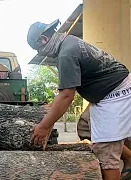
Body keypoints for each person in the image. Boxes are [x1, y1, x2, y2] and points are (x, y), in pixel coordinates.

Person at [26, 19, 131, 180]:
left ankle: (115, 163)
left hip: (116, 93)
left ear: (43, 40)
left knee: (105, 150)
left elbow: (67, 96)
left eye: (38, 49)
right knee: (84, 127)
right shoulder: (69, 42)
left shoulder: (66, 53)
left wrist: (43, 126)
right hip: (107, 94)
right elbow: (67, 90)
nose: (41, 53)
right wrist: (53, 106)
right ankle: (129, 157)